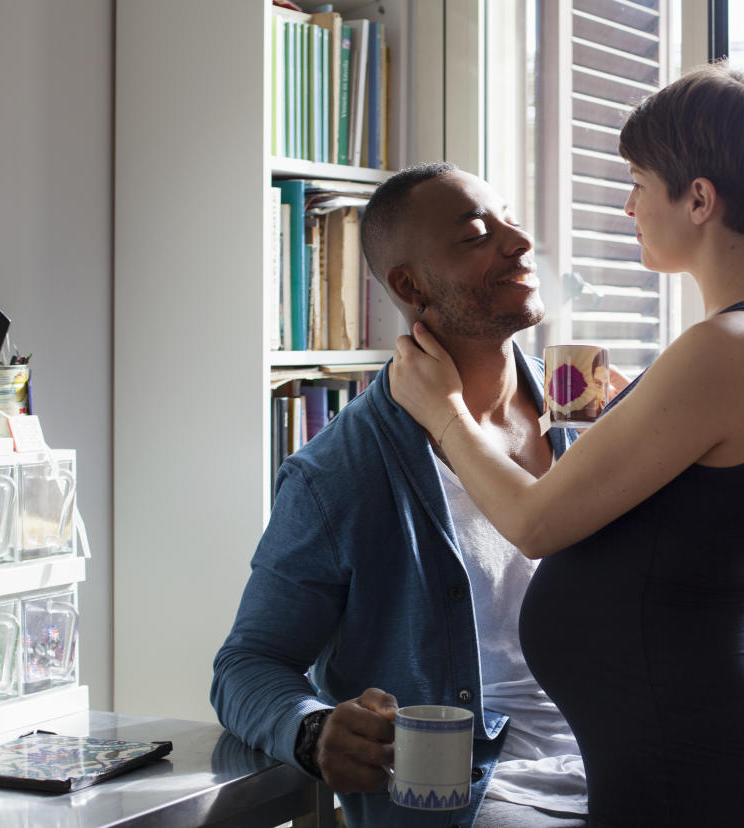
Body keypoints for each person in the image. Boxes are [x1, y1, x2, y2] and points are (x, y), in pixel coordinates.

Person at [390, 65, 744, 827]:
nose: (628, 206)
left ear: (698, 199)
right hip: (701, 740)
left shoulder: (724, 345)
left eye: (638, 183)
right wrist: (647, 428)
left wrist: (444, 413)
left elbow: (532, 524)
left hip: (684, 753)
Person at [211, 162, 592, 828]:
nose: (519, 242)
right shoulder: (337, 475)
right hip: (482, 798)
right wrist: (313, 728)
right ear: (409, 285)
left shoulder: (584, 413)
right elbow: (246, 664)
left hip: (629, 759)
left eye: (509, 218)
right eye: (477, 235)